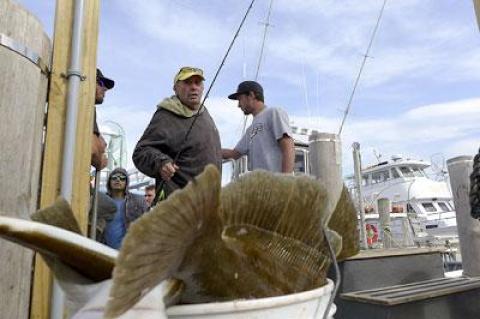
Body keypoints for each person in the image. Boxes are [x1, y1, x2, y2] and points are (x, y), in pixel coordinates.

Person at [132, 66, 222, 201]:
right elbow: (141, 152)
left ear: (203, 87)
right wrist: (161, 163)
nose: (193, 87)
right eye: (187, 83)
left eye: (197, 83)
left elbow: (199, 147)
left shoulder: (204, 113)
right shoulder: (166, 115)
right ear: (175, 88)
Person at [222, 80, 295, 173]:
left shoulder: (273, 112)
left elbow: (288, 146)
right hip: (260, 185)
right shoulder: (250, 130)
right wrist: (211, 148)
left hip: (278, 184)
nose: (238, 105)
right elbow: (234, 154)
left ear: (251, 95)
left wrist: (286, 181)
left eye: (240, 99)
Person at [98, 168, 148, 249]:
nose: (118, 180)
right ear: (109, 181)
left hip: (129, 250)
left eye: (122, 178)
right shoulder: (101, 201)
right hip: (104, 248)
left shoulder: (137, 201)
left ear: (126, 182)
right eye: (114, 177)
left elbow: (147, 225)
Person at [91, 69, 114, 170]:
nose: (105, 89)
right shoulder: (85, 107)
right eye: (100, 83)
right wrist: (101, 156)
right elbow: (93, 149)